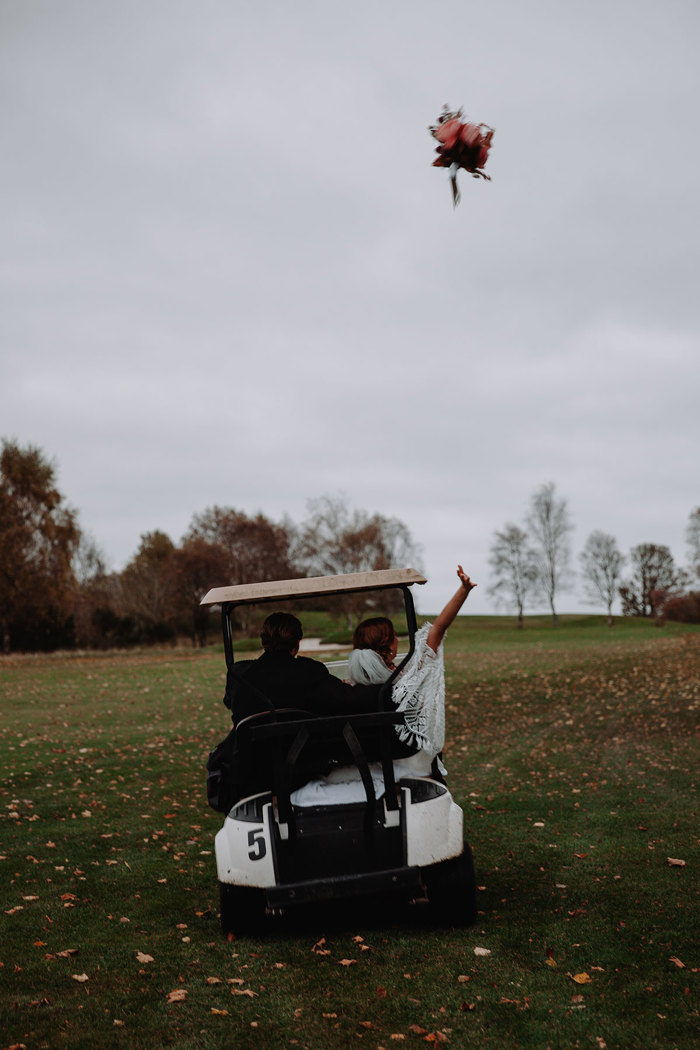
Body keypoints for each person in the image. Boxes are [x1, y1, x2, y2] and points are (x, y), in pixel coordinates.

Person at [290, 566, 476, 805]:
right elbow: (438, 628)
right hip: (403, 760)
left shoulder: (348, 686)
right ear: (390, 646)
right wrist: (464, 590)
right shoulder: (407, 681)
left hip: (362, 761)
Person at [223, 611, 382, 724]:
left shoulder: (238, 673)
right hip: (300, 761)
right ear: (297, 642)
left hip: (248, 763)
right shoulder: (308, 672)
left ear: (263, 641)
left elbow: (229, 701)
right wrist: (391, 689)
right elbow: (350, 700)